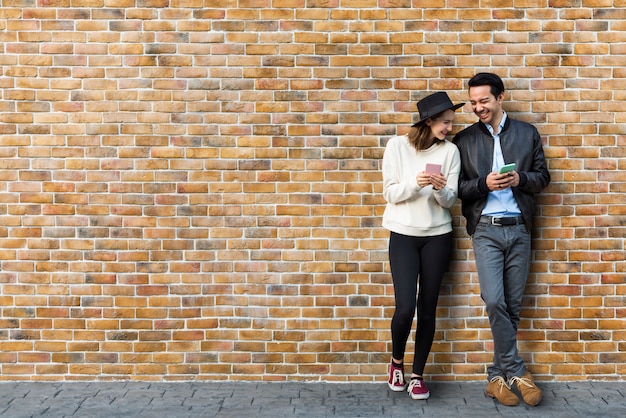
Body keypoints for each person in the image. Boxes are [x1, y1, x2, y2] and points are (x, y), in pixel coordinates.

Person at [452, 73, 550, 407]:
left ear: (500, 97)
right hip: (486, 229)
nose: (478, 107)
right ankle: (518, 371)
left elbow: (543, 178)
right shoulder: (464, 140)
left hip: (519, 227)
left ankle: (497, 377)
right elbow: (457, 189)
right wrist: (484, 184)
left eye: (484, 100)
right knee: (495, 300)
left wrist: (520, 178)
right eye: (473, 101)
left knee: (512, 306)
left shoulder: (527, 133)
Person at [382, 92, 464, 400]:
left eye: (451, 123)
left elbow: (450, 200)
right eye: (445, 123)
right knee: (405, 308)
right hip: (403, 234)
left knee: (428, 309)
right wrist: (417, 182)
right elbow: (390, 194)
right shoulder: (396, 147)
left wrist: (441, 191)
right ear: (428, 121)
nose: (449, 128)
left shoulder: (451, 152)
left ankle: (417, 375)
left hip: (438, 235)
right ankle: (397, 363)